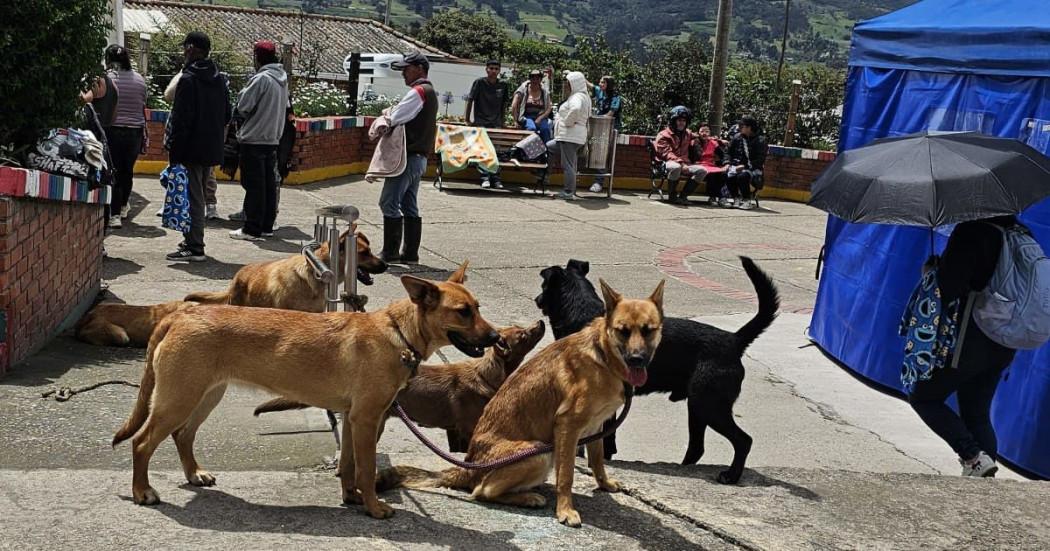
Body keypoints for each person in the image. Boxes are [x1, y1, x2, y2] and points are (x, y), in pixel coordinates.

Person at [908, 216, 1021, 478]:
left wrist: (931, 273)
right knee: (977, 413)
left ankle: (973, 457)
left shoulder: (972, 232)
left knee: (924, 397)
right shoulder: (1018, 233)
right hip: (1004, 339)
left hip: (970, 338)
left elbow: (949, 288)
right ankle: (982, 484)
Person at [164, 31, 231, 262]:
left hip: (190, 149)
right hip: (211, 148)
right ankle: (192, 241)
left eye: (185, 47)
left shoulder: (188, 79)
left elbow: (181, 120)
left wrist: (175, 152)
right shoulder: (219, 79)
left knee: (193, 198)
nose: (184, 51)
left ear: (191, 49)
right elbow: (227, 114)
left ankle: (195, 247)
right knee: (199, 195)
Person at [379, 51, 437, 263]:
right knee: (408, 204)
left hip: (407, 157)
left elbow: (395, 117)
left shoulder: (418, 91)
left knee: (388, 203)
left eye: (407, 69)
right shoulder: (430, 91)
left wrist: (386, 114)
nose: (403, 73)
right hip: (419, 158)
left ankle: (390, 252)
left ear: (420, 69)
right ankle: (410, 253)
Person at [229, 40, 288, 241]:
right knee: (268, 185)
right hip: (272, 139)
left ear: (257, 57)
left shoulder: (262, 78)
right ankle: (266, 226)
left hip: (254, 138)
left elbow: (243, 105)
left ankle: (251, 229)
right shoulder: (282, 79)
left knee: (254, 185)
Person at [163, 70, 221, 220]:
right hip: (209, 137)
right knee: (206, 175)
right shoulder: (217, 79)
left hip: (189, 139)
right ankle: (207, 206)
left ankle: (194, 219)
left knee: (190, 179)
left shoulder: (187, 77)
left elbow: (168, 96)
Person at [100, 45, 147, 229]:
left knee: (114, 172)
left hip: (113, 130)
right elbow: (142, 104)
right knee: (127, 171)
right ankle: (124, 204)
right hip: (135, 132)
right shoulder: (140, 80)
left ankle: (115, 214)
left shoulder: (108, 78)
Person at [546, 71, 591, 201]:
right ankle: (545, 174)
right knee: (549, 147)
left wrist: (567, 122)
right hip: (570, 136)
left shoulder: (577, 97)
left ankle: (568, 191)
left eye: (569, 83)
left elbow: (575, 109)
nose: (566, 85)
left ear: (575, 83)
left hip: (570, 136)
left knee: (568, 165)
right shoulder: (583, 96)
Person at [465, 59, 509, 189]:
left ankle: (496, 179)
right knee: (483, 151)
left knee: (496, 152)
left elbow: (504, 105)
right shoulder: (479, 83)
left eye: (496, 69)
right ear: (486, 69)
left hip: (496, 124)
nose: (493, 71)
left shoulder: (503, 85)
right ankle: (485, 178)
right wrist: (467, 119)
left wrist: (503, 122)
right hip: (481, 122)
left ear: (499, 71)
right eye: (491, 68)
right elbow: (470, 100)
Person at [653, 106, 706, 205]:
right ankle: (672, 196)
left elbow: (702, 137)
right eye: (679, 120)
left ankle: (683, 196)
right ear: (673, 121)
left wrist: (719, 140)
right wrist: (681, 164)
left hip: (685, 164)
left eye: (684, 121)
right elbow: (667, 154)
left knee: (702, 171)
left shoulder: (687, 133)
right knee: (676, 167)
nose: (682, 123)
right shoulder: (663, 135)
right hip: (666, 163)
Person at [588, 76, 623, 194]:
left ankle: (599, 182)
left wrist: (595, 118)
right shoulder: (600, 92)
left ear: (609, 84)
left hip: (609, 128)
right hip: (598, 127)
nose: (600, 84)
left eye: (603, 82)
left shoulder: (615, 98)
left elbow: (610, 114)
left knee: (603, 154)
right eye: (600, 81)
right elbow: (590, 85)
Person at [724, 116, 767, 210]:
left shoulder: (760, 140)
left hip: (753, 168)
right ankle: (736, 198)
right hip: (736, 166)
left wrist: (744, 166)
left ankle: (746, 200)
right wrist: (727, 163)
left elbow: (760, 160)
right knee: (727, 174)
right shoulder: (737, 137)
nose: (739, 128)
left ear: (749, 128)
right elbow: (728, 152)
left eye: (742, 126)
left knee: (742, 176)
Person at [510, 69, 552, 143]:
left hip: (541, 116)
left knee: (545, 129)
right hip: (527, 116)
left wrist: (540, 118)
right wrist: (515, 120)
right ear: (530, 79)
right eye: (533, 78)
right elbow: (514, 105)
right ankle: (531, 149)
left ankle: (547, 149)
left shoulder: (544, 90)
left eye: (538, 78)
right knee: (531, 128)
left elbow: (549, 107)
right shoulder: (524, 88)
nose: (535, 80)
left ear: (541, 79)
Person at [692, 124, 728, 205]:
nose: (704, 133)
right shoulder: (694, 142)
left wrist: (726, 164)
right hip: (699, 165)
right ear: (698, 133)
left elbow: (723, 155)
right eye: (702, 131)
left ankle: (720, 197)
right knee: (712, 174)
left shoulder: (713, 143)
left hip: (711, 165)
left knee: (723, 173)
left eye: (707, 131)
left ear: (710, 133)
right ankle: (715, 197)